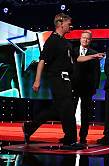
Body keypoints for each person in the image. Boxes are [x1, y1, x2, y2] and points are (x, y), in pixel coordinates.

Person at [23, 13, 82, 149]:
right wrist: (37, 81)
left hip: (66, 79)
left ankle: (29, 127)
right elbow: (42, 61)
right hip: (57, 78)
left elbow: (76, 59)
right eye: (68, 23)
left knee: (57, 110)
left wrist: (93, 56)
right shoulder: (53, 41)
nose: (70, 26)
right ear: (60, 23)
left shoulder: (65, 42)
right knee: (67, 107)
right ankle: (71, 140)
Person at [72, 30, 104, 145]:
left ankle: (83, 137)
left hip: (87, 88)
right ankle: (70, 136)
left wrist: (95, 87)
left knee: (85, 114)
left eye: (87, 38)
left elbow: (97, 72)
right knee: (71, 112)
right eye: (83, 37)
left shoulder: (94, 53)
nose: (85, 40)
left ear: (90, 40)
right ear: (80, 39)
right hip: (73, 86)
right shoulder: (73, 51)